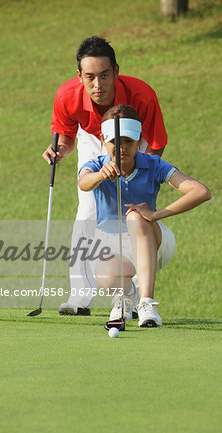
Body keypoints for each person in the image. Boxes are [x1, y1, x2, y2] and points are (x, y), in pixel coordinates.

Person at [43, 36, 168, 315]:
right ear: (79, 76)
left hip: (133, 141)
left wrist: (141, 176)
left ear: (116, 71)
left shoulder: (142, 96)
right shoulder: (66, 96)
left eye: (104, 75)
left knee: (134, 213)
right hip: (92, 138)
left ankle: (134, 297)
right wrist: (58, 151)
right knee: (87, 211)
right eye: (89, 77)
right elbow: (66, 139)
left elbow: (156, 144)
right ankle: (80, 296)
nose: (97, 85)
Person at [78, 104, 211, 326]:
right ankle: (125, 296)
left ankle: (147, 304)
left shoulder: (154, 164)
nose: (121, 148)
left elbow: (201, 192)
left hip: (153, 241)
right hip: (112, 245)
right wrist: (101, 175)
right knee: (109, 279)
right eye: (114, 142)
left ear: (139, 141)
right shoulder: (95, 166)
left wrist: (157, 214)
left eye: (128, 141)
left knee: (135, 216)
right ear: (102, 140)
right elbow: (84, 183)